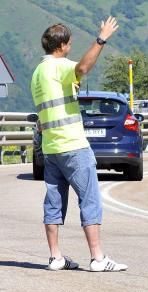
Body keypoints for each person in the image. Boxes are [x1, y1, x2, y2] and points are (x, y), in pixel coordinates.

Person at [31, 16, 127, 272]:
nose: (70, 48)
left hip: (51, 148)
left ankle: (56, 257)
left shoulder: (38, 72)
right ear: (61, 46)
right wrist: (101, 39)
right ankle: (97, 258)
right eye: (69, 44)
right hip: (72, 145)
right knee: (90, 199)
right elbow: (83, 68)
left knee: (53, 202)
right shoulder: (58, 66)